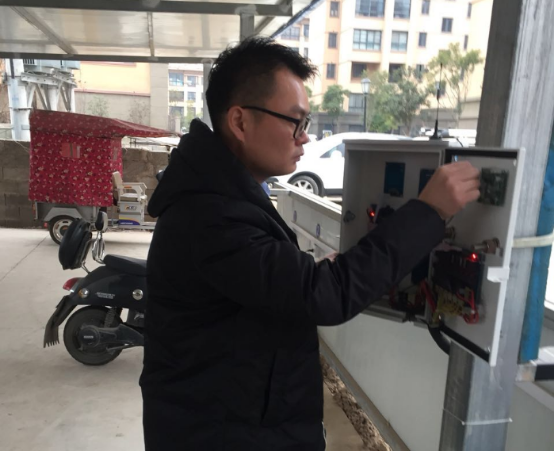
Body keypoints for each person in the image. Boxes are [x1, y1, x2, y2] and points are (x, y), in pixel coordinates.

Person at [140, 37, 480, 451]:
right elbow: (324, 296)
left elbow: (267, 278)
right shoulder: (210, 214)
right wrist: (429, 212)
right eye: (296, 122)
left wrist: (312, 270)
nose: (304, 137)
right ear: (240, 122)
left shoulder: (222, 197)